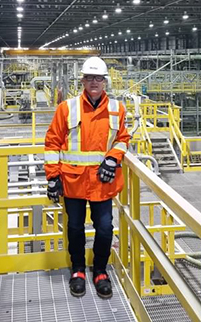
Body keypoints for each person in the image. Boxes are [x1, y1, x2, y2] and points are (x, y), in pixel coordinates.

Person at [44, 56, 130, 299]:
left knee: (104, 229)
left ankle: (100, 271)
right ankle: (78, 271)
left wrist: (113, 158)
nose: (94, 82)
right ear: (82, 80)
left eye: (98, 78)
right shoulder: (67, 108)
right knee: (74, 228)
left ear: (105, 82)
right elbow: (52, 144)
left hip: (103, 183)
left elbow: (123, 139)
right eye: (90, 77)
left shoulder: (117, 108)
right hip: (72, 182)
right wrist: (53, 177)